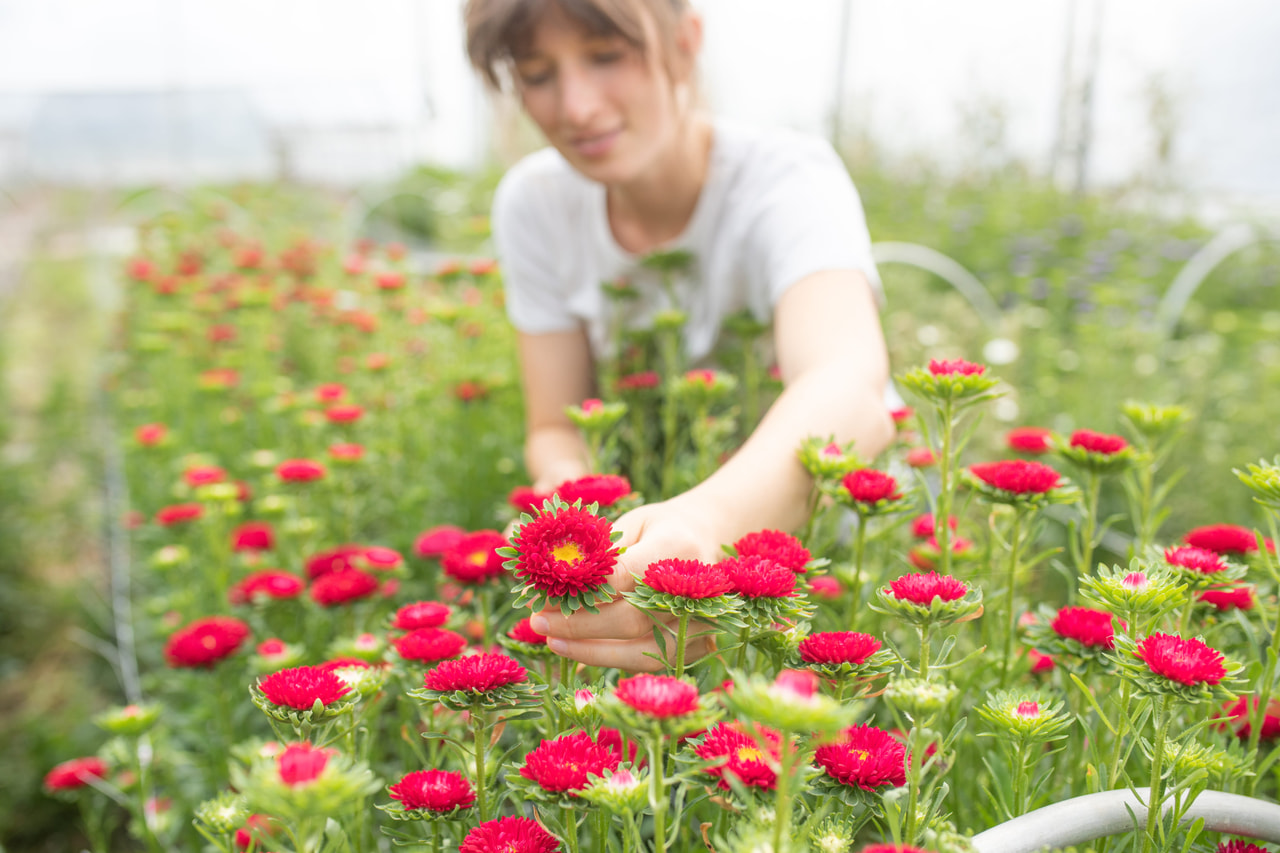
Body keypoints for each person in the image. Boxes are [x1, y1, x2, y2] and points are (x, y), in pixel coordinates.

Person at [464, 0, 894, 672]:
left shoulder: (787, 179)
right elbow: (554, 423)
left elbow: (850, 385)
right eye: (539, 74)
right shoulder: (534, 203)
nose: (576, 106)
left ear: (686, 42)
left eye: (607, 57)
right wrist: (586, 527)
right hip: (656, 532)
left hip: (841, 548)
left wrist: (705, 527)